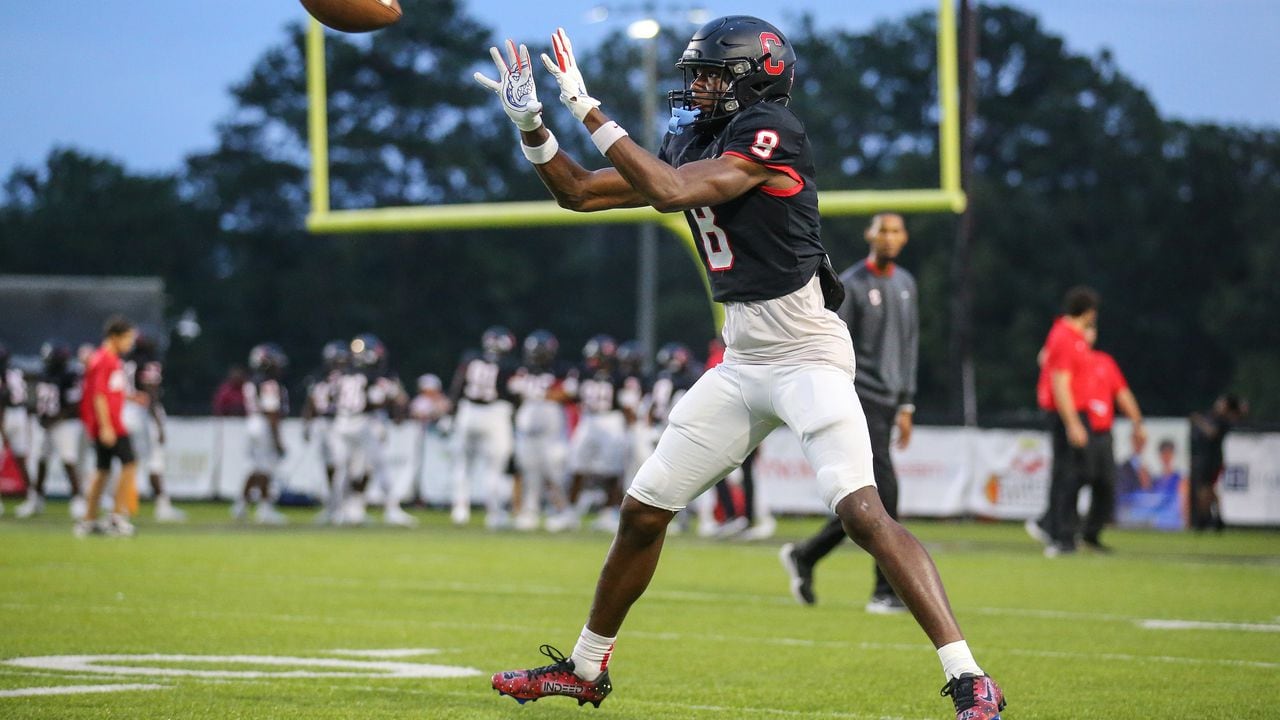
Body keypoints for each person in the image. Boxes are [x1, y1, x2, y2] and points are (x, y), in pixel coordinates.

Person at [476, 17, 1004, 718]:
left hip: (807, 353)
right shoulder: (693, 136)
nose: (696, 87)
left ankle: (970, 678)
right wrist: (531, 121)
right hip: (744, 357)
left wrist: (587, 106)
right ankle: (585, 667)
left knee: (862, 513)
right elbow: (576, 191)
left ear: (760, 76)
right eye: (695, 74)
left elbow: (669, 192)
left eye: (713, 75)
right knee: (642, 512)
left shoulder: (772, 134)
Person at [779, 211, 919, 612]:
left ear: (904, 237)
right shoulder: (854, 284)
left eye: (896, 230)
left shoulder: (907, 283)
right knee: (885, 491)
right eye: (883, 230)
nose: (889, 237)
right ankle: (884, 591)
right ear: (869, 235)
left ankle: (807, 554)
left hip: (891, 401)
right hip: (861, 396)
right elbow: (836, 344)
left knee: (864, 496)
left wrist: (907, 403)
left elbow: (909, 347)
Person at [1025, 286, 1098, 557]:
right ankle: (1060, 534)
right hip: (1068, 412)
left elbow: (1043, 358)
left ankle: (1051, 525)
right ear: (1089, 312)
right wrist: (1072, 423)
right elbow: (1060, 383)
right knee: (1070, 474)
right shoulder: (1066, 336)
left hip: (1071, 412)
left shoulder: (1065, 335)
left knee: (1074, 473)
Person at [1076, 325, 1145, 552]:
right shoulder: (1070, 361)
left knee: (1106, 483)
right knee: (1076, 479)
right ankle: (1061, 530)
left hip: (1103, 432)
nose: (1090, 333)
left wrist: (1137, 422)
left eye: (1092, 329)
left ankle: (1090, 534)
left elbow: (1122, 393)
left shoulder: (1105, 362)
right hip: (1080, 429)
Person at [75, 316, 140, 537]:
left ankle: (88, 520)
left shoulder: (106, 359)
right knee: (130, 464)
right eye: (128, 338)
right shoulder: (105, 359)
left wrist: (131, 398)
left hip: (105, 423)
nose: (131, 343)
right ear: (115, 337)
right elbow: (99, 395)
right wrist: (106, 426)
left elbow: (110, 391)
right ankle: (116, 516)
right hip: (110, 424)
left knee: (102, 470)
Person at [447, 326, 517, 528]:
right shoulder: (509, 365)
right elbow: (512, 393)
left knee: (462, 465)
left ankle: (460, 509)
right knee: (494, 468)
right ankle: (494, 514)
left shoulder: (471, 358)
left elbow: (458, 385)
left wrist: (451, 412)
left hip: (468, 411)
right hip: (495, 413)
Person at [509, 330, 571, 531]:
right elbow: (515, 393)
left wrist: (542, 395)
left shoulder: (560, 370)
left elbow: (567, 393)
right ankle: (530, 511)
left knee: (555, 472)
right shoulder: (523, 370)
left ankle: (563, 511)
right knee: (529, 472)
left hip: (551, 431)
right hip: (528, 431)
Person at [17, 340, 85, 519]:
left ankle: (78, 499)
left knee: (68, 461)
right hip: (45, 423)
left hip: (64, 424)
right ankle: (36, 499)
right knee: (41, 461)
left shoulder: (69, 376)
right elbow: (38, 401)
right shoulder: (43, 374)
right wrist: (42, 419)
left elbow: (74, 404)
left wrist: (55, 419)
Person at [123, 335, 186, 522]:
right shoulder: (148, 362)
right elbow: (150, 390)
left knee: (129, 461)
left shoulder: (127, 362)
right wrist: (158, 423)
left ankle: (122, 504)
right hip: (143, 412)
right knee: (155, 461)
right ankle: (162, 505)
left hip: (127, 410)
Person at [233, 343, 289, 524]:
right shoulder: (269, 384)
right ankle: (264, 508)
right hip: (263, 424)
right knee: (265, 468)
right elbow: (272, 412)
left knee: (254, 467)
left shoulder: (251, 382)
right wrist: (278, 440)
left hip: (251, 423)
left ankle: (241, 505)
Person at [1188, 394, 1247, 531]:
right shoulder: (1212, 416)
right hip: (1204, 458)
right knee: (1206, 490)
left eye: (1222, 403)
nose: (1218, 404)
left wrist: (1198, 421)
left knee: (1206, 489)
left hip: (1213, 460)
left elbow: (1212, 433)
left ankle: (1208, 518)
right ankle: (1211, 518)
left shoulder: (1224, 420)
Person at [1, 341, 34, 519]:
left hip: (8, 414)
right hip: (19, 414)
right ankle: (33, 497)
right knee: (22, 458)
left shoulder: (9, 375)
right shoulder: (16, 372)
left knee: (21, 458)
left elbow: (4, 399)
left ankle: (32, 497)